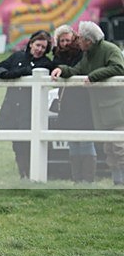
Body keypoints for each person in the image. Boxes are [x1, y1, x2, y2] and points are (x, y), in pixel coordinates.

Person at [51, 21, 124, 185]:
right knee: (109, 149)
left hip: (118, 109)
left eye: (81, 38)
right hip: (103, 110)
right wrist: (62, 69)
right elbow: (77, 70)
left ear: (88, 41)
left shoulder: (110, 49)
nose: (78, 41)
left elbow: (119, 68)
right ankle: (118, 183)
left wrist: (93, 76)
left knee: (120, 148)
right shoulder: (88, 54)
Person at [0, 30, 54, 179]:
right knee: (17, 144)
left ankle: (32, 174)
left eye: (43, 47)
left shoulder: (45, 64)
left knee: (29, 143)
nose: (39, 49)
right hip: (13, 107)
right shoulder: (18, 56)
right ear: (31, 43)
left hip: (31, 109)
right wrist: (12, 74)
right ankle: (23, 174)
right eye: (38, 45)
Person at [51, 24, 97, 182]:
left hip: (83, 99)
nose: (65, 43)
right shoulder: (56, 55)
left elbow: (78, 69)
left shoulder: (82, 52)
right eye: (62, 40)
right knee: (72, 141)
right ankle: (77, 179)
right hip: (67, 101)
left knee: (86, 140)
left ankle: (88, 179)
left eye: (67, 39)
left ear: (74, 38)